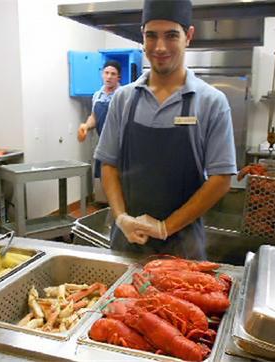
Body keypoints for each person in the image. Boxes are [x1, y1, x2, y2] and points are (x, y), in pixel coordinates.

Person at [94, 0, 236, 260]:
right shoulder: (123, 99)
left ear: (188, 36)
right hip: (127, 244)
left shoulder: (211, 102)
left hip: (183, 248)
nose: (160, 47)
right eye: (151, 36)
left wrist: (165, 227)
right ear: (142, 36)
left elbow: (221, 178)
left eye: (171, 35)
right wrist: (121, 217)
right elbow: (108, 164)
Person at [77, 60, 121, 178]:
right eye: (106, 73)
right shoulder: (97, 95)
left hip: (119, 146)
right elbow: (94, 117)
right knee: (102, 178)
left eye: (113, 74)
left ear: (118, 77)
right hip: (102, 144)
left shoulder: (123, 95)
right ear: (102, 74)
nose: (109, 77)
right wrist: (86, 126)